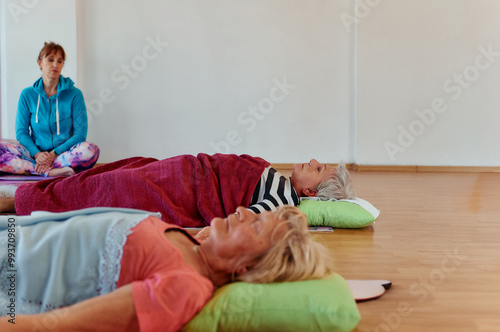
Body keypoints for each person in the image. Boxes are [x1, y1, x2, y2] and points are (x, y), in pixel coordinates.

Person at [0, 205, 333, 331]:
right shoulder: (192, 243)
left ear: (248, 268)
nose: (245, 210)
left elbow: (61, 325)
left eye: (257, 226)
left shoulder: (186, 288)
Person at [0, 154, 355, 224]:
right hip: (182, 170)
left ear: (310, 194)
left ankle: (18, 201)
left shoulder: (282, 199)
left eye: (318, 168)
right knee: (126, 166)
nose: (311, 159)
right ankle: (39, 193)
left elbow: (242, 221)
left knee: (109, 187)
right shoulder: (277, 177)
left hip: (182, 191)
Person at [0, 42, 100, 178]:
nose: (55, 65)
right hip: (33, 154)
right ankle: (49, 171)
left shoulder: (75, 94)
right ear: (39, 63)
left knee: (91, 150)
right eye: (50, 60)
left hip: (62, 155)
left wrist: (54, 154)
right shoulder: (27, 94)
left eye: (60, 61)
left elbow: (80, 134)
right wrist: (37, 154)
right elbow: (21, 132)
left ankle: (36, 169)